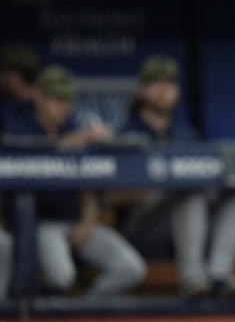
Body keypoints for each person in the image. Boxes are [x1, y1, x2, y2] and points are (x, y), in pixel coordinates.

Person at [3, 65, 146, 296]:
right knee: (63, 276)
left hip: (75, 220)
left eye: (66, 100)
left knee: (131, 268)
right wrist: (72, 142)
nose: (63, 106)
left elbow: (88, 182)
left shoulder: (75, 125)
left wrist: (88, 219)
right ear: (39, 96)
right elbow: (29, 158)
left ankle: (86, 309)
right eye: (56, 99)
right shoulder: (19, 127)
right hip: (40, 224)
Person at [113, 56, 235, 297]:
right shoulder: (124, 135)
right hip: (141, 227)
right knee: (187, 192)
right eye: (156, 83)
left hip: (188, 226)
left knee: (234, 198)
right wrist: (158, 185)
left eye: (170, 84)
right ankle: (193, 280)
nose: (164, 90)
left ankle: (219, 276)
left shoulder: (186, 135)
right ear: (142, 90)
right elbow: (109, 196)